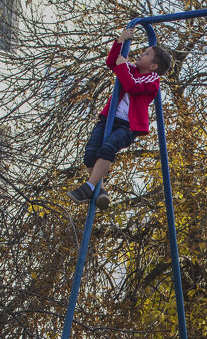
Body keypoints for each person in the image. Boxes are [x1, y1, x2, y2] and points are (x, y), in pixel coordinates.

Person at [69, 28, 172, 210]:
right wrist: (120, 41)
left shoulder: (151, 80)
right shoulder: (131, 69)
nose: (140, 53)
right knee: (91, 153)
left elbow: (132, 86)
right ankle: (100, 191)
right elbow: (112, 62)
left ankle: (89, 187)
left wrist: (123, 66)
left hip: (128, 125)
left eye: (146, 53)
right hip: (108, 118)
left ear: (153, 66)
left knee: (108, 148)